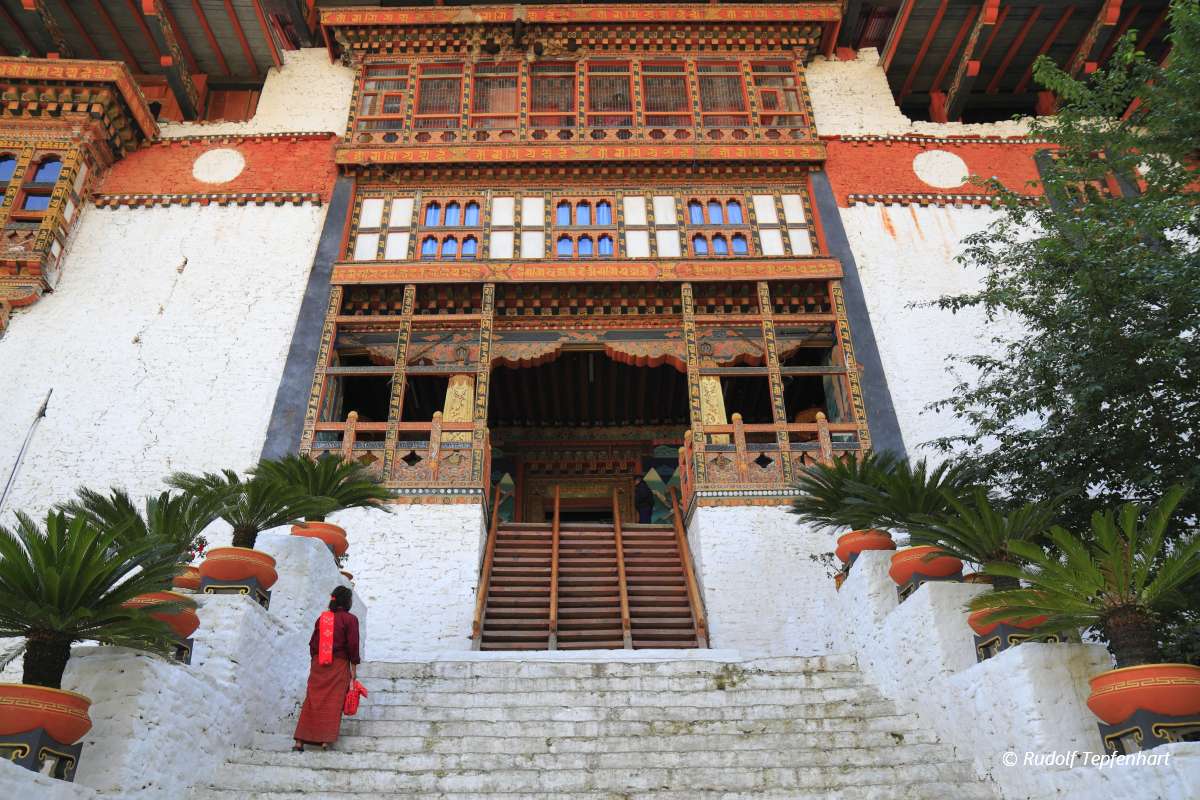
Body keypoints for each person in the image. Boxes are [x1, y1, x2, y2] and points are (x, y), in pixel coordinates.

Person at [293, 585, 360, 751]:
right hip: (338, 665)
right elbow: (352, 645)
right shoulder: (350, 619)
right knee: (333, 701)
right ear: (347, 601)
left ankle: (300, 741)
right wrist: (354, 668)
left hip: (318, 664)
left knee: (312, 700)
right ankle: (324, 741)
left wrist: (316, 662)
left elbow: (312, 643)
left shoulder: (322, 619)